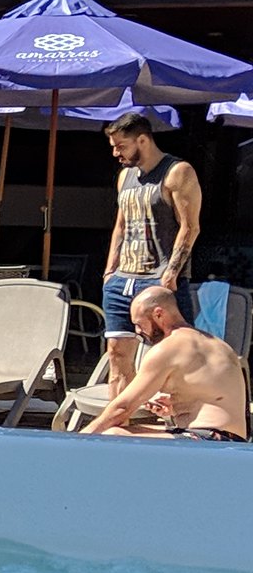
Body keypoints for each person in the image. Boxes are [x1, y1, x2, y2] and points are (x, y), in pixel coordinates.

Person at [101, 111, 201, 392]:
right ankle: (119, 415)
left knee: (173, 355)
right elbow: (121, 226)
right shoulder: (125, 176)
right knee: (116, 352)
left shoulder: (177, 172)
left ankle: (176, 415)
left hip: (158, 279)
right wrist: (110, 271)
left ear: (143, 140)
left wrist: (170, 275)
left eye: (121, 146)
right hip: (123, 278)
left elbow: (190, 227)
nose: (116, 153)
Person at [84, 285, 246, 441]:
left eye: (139, 324)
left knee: (113, 435)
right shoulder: (219, 345)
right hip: (228, 438)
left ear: (158, 314)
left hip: (210, 439)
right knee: (130, 431)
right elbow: (211, 395)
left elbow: (122, 408)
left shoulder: (167, 348)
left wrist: (78, 440)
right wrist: (175, 407)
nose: (138, 331)